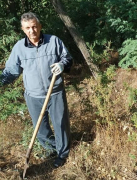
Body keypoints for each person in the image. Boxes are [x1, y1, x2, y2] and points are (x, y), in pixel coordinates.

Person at [0, 12, 73, 168]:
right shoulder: (19, 48)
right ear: (22, 29)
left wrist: (62, 65)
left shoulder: (53, 41)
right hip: (33, 95)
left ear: (39, 26)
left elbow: (67, 59)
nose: (31, 31)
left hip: (55, 92)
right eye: (27, 28)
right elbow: (11, 71)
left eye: (34, 26)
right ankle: (51, 148)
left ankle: (63, 154)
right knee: (40, 128)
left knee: (61, 124)